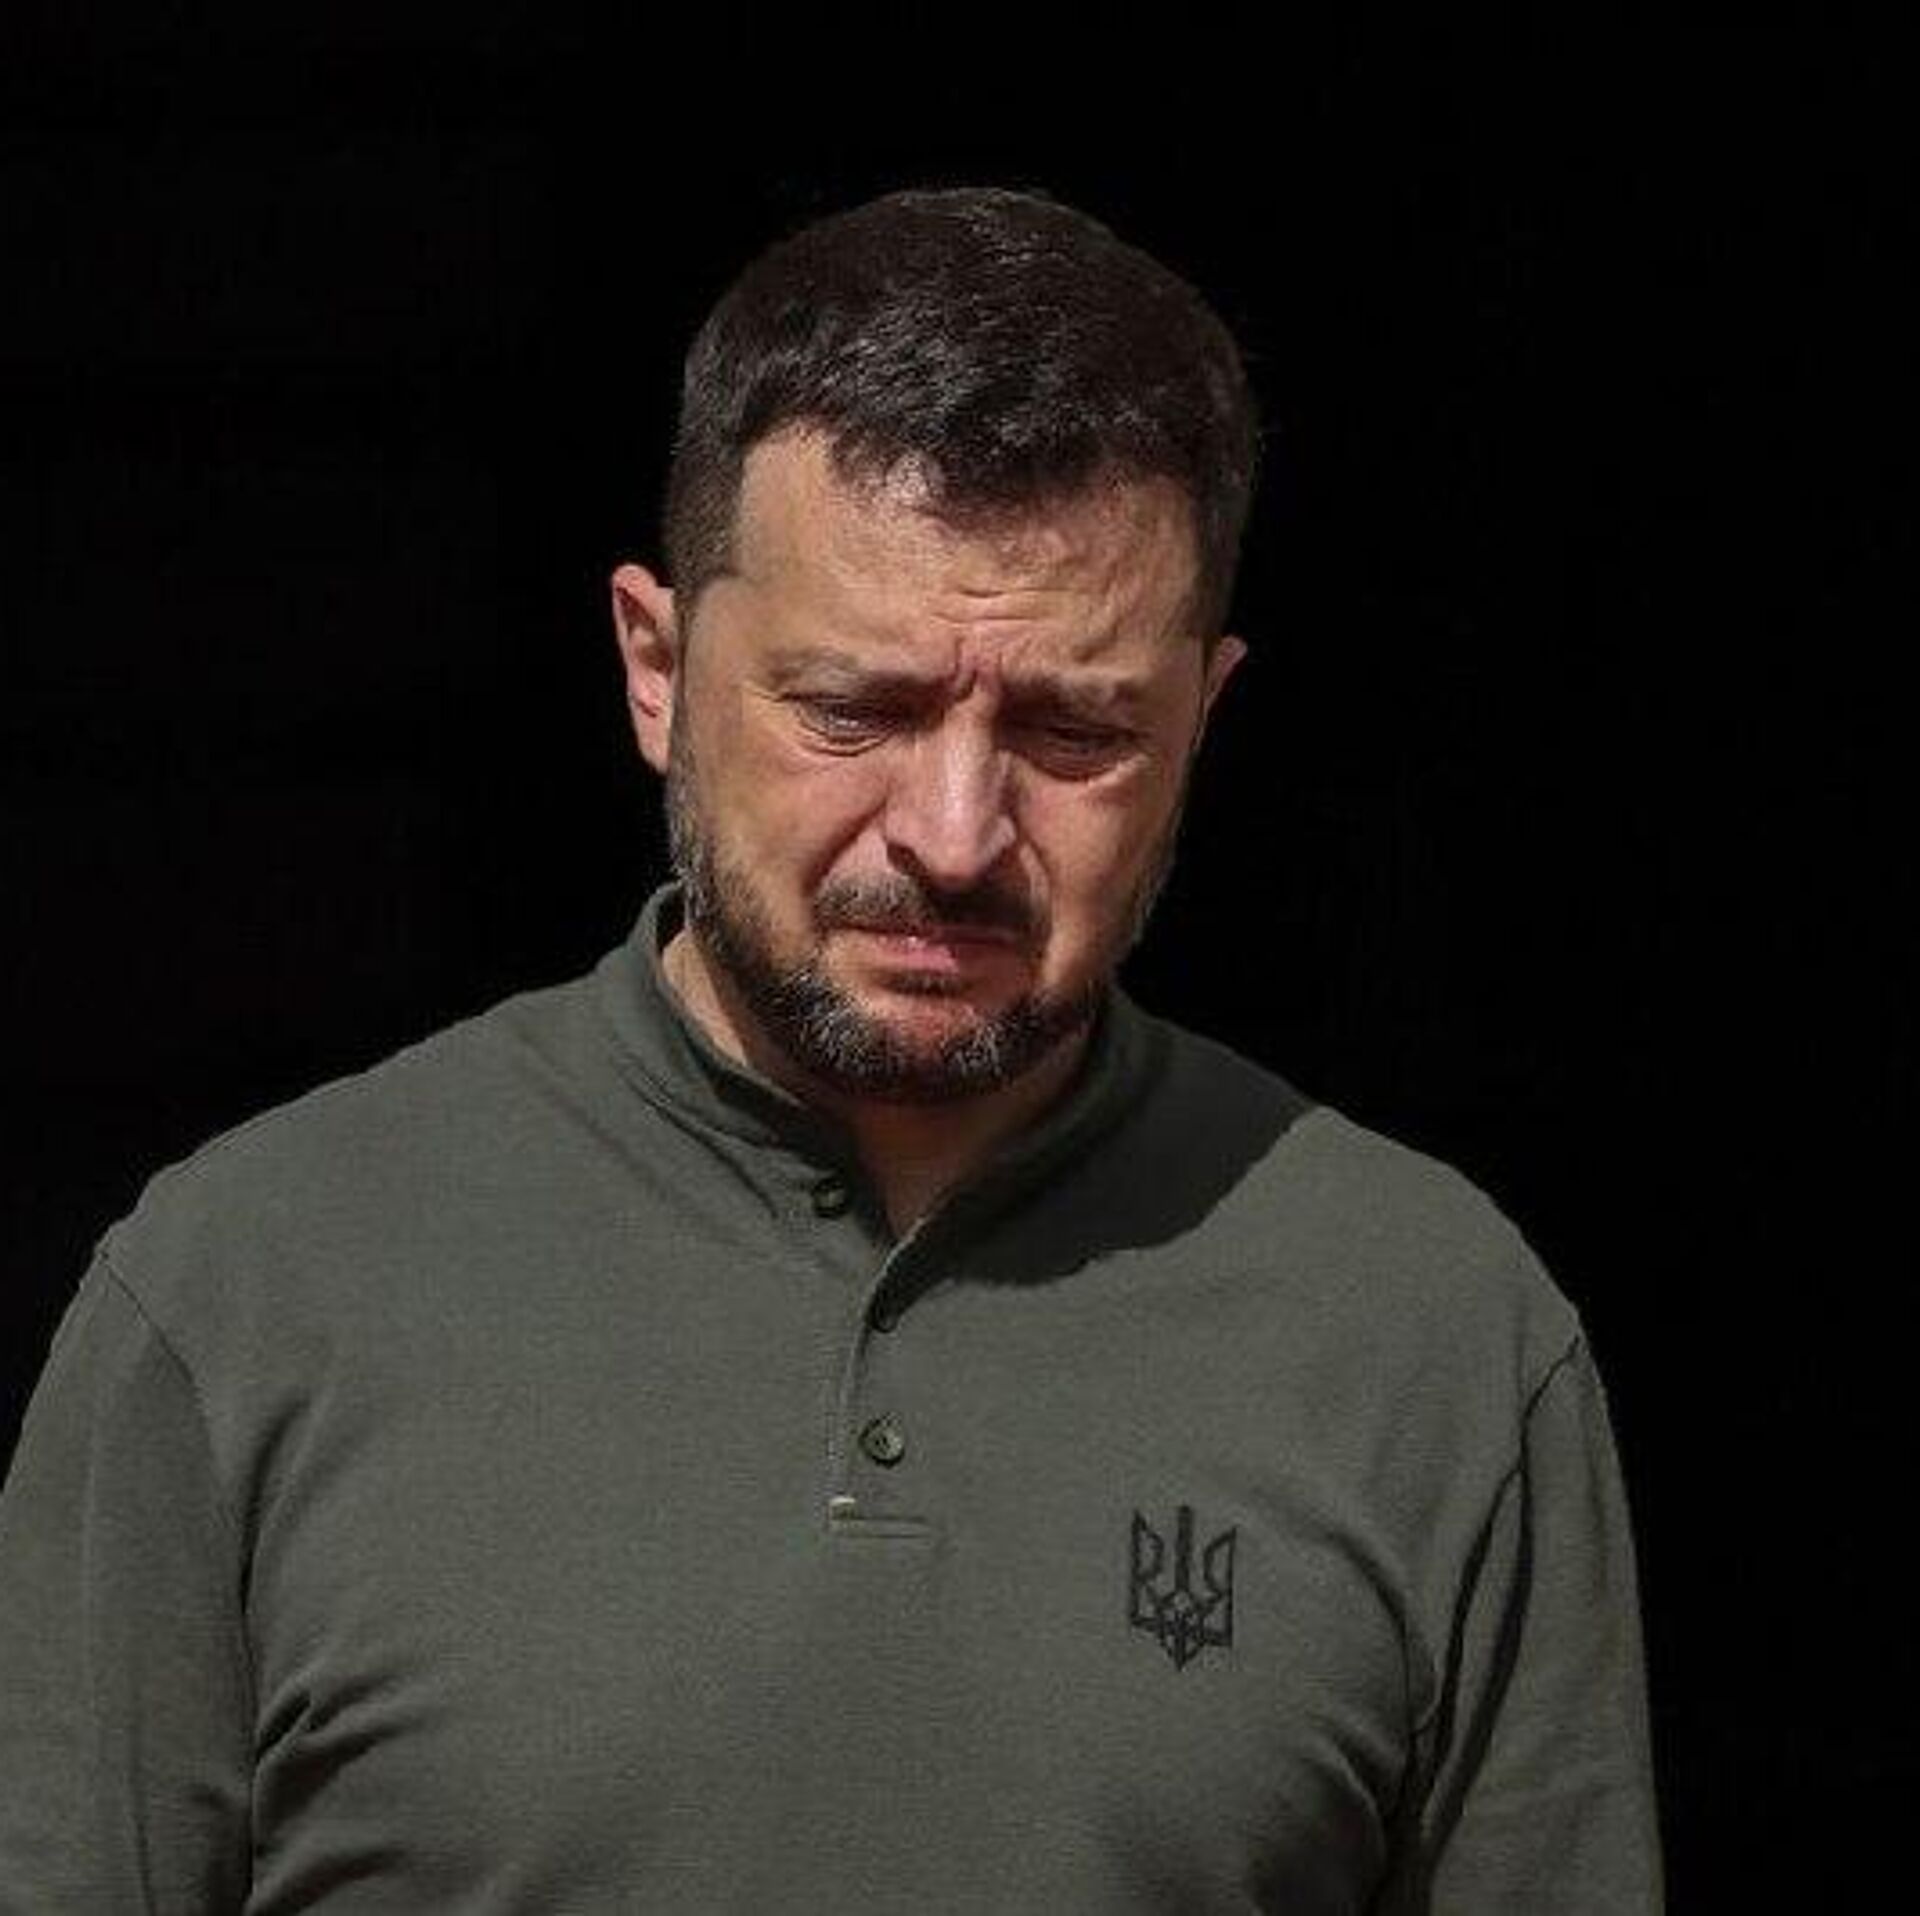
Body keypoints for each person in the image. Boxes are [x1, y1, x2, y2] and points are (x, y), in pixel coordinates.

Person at [0, 187, 1662, 1912]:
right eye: (853, 711)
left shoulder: (1431, 1333)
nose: (954, 832)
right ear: (655, 668)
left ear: (1204, 721)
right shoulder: (245, 1296)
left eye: (1075, 731)